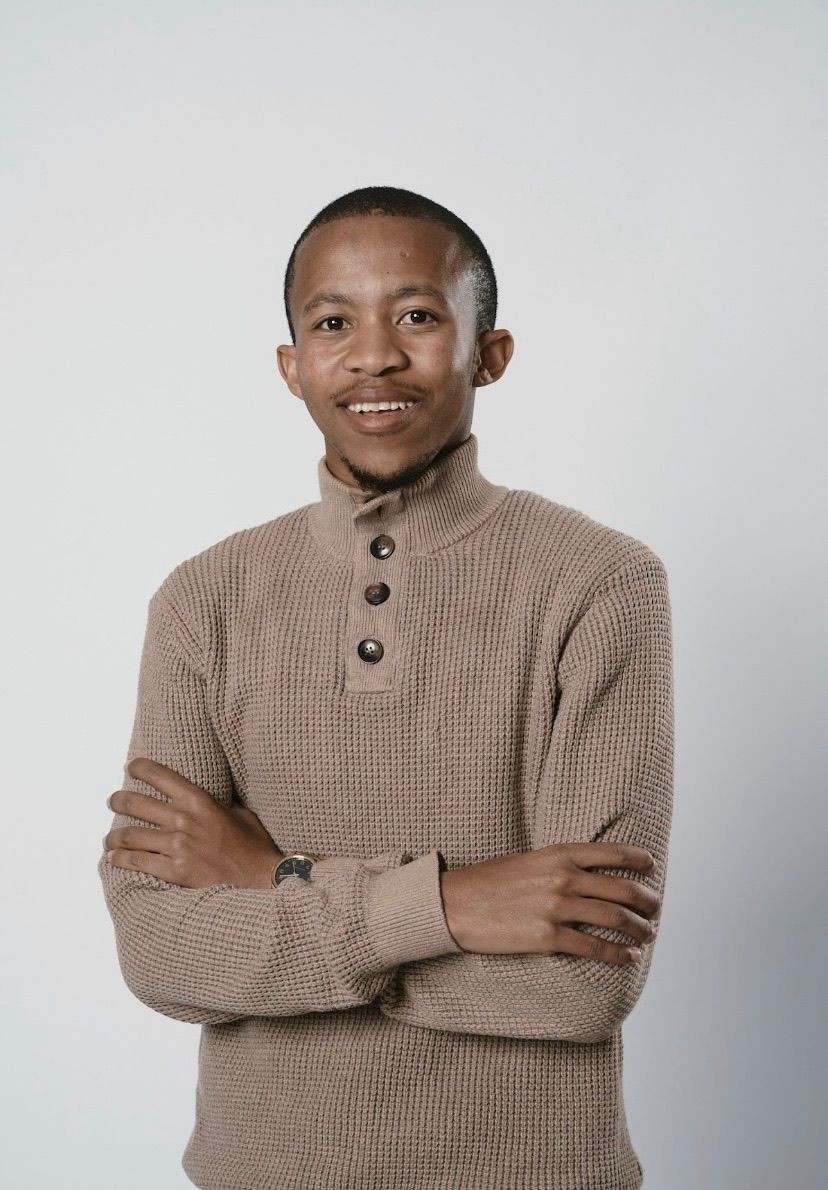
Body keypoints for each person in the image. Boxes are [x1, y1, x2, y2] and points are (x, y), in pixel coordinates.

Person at [99, 185, 673, 1190]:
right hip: (262, 1169)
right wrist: (458, 903)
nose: (373, 355)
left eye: (417, 314)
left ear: (490, 351)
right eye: (332, 322)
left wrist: (272, 883)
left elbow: (582, 982)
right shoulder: (203, 601)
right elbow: (162, 950)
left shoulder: (600, 581)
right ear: (291, 365)